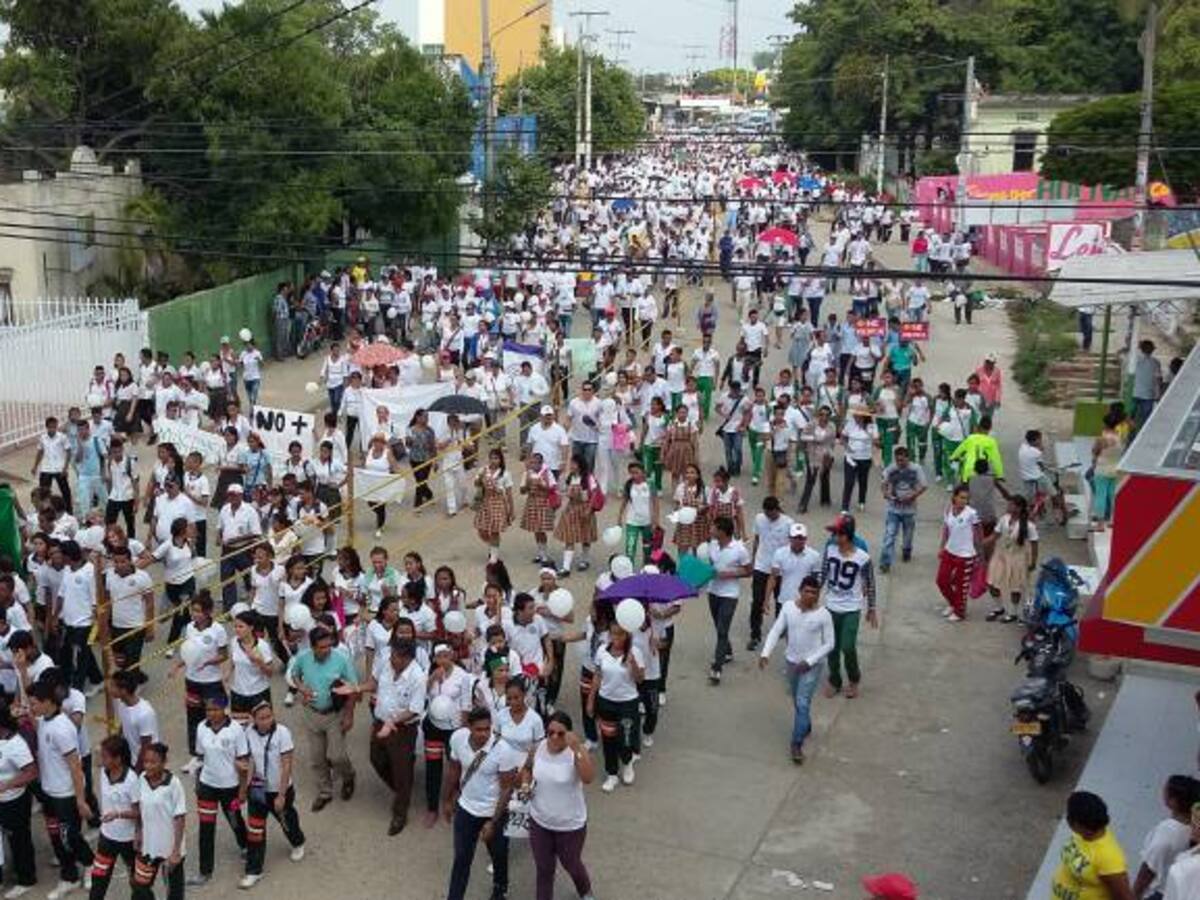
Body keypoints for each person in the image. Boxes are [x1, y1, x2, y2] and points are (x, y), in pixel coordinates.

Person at [442, 707, 522, 900]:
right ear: (469, 727)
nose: (484, 734)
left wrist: (493, 822)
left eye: (487, 729)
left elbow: (506, 789)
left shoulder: (504, 750)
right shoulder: (458, 739)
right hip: (466, 809)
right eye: (479, 729)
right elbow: (454, 769)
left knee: (498, 855)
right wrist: (447, 800)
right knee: (461, 859)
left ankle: (500, 889)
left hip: (493, 812)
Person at [352, 635, 425, 835]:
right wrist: (356, 688)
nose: (391, 659)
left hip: (402, 729)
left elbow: (414, 710)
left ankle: (400, 813)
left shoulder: (418, 677)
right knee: (376, 758)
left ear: (407, 658)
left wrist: (392, 722)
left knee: (401, 770)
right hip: (380, 722)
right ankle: (403, 791)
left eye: (395, 656)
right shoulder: (386, 663)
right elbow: (374, 683)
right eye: (392, 654)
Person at [759, 574, 833, 763]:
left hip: (811, 667)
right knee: (796, 699)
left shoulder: (824, 615)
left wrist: (810, 661)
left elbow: (830, 644)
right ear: (800, 591)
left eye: (814, 593)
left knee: (802, 701)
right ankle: (805, 724)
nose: (810, 596)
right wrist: (766, 653)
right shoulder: (789, 608)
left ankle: (796, 743)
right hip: (791, 662)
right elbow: (776, 630)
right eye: (807, 591)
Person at [31, 677, 95, 898]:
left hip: (66, 794)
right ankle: (69, 876)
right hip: (49, 791)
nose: (32, 707)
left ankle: (90, 864)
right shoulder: (44, 721)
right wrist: (21, 672)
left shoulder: (62, 728)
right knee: (56, 836)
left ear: (48, 702)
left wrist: (80, 799)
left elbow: (76, 767)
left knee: (70, 836)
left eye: (35, 703)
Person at [523, 711, 596, 900]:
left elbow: (588, 778)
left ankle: (585, 891)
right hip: (540, 821)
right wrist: (525, 785)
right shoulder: (537, 748)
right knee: (544, 869)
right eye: (550, 732)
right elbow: (528, 769)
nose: (554, 737)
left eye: (561, 733)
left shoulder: (575, 752)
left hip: (570, 825)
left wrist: (578, 747)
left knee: (571, 863)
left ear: (569, 734)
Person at [286, 624, 358, 812]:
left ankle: (349, 776)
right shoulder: (303, 658)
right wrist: (301, 688)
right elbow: (294, 675)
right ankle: (325, 792)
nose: (327, 650)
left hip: (335, 715)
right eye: (322, 647)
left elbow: (353, 690)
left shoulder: (341, 660)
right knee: (317, 758)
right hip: (311, 714)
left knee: (337, 756)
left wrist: (349, 715)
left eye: (329, 645)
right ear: (312, 647)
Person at [240, 700, 306, 889]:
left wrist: (282, 795)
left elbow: (286, 765)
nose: (266, 721)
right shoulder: (248, 733)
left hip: (279, 789)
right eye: (261, 718)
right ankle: (254, 870)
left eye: (269, 716)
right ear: (253, 719)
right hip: (258, 790)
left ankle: (298, 842)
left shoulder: (282, 733)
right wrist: (245, 788)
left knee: (286, 821)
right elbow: (251, 760)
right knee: (255, 830)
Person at [187, 696, 248, 886]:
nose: (211, 713)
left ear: (225, 709)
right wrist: (198, 782)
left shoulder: (236, 730)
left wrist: (243, 790)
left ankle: (245, 845)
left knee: (234, 818)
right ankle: (205, 871)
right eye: (208, 710)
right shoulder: (201, 728)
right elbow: (200, 757)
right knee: (206, 829)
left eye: (215, 709)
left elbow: (243, 761)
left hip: (230, 786)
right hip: (207, 785)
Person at [819, 515, 877, 698]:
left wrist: (872, 608)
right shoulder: (830, 550)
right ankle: (835, 680)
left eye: (836, 533)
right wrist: (811, 597)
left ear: (846, 535)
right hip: (831, 605)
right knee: (831, 647)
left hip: (851, 608)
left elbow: (870, 583)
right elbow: (823, 574)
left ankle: (854, 678)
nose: (833, 536)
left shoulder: (863, 558)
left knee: (847, 646)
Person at [586, 620, 644, 792]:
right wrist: (591, 699)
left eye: (620, 634)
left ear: (627, 635)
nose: (616, 637)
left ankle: (627, 763)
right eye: (613, 633)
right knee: (608, 738)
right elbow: (597, 675)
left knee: (626, 738)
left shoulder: (635, 652)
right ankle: (612, 774)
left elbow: (640, 679)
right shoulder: (602, 651)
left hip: (628, 702)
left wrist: (632, 664)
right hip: (606, 701)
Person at [1052, 791, 1136, 900]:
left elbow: (1125, 897)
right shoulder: (1082, 834)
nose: (1067, 819)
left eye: (1069, 817)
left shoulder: (1108, 858)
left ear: (1077, 824)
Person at [130, 742, 187, 900]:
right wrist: (138, 832)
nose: (148, 766)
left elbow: (180, 817)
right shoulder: (141, 779)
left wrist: (176, 851)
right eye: (146, 761)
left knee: (174, 894)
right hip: (149, 846)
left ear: (163, 762)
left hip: (169, 847)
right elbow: (139, 809)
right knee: (140, 887)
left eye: (153, 762)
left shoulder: (173, 784)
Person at [1133, 775, 1199, 900]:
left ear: (1173, 801)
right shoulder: (1192, 827)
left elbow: (1147, 870)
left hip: (1158, 893)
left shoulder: (1167, 833)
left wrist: (1134, 895)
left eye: (1165, 790)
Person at [89, 735, 139, 900]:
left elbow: (139, 812)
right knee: (98, 880)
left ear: (118, 759)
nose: (101, 759)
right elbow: (96, 757)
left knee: (138, 882)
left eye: (105, 756)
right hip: (107, 837)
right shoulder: (105, 771)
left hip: (128, 840)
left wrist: (118, 814)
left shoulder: (132, 780)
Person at [704, 516, 753, 685]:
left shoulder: (739, 549)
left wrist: (727, 574)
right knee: (719, 626)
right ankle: (728, 651)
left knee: (723, 629)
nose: (711, 530)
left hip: (729, 594)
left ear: (722, 531)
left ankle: (716, 668)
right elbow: (711, 565)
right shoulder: (712, 545)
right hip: (713, 591)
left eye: (714, 527)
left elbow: (748, 571)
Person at [0, 702, 37, 897]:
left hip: (13, 801)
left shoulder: (15, 745)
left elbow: (31, 772)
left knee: (19, 839)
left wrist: (7, 785)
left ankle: (26, 878)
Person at [748, 496, 793, 651]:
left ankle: (780, 627)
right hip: (761, 566)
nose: (769, 516)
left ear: (777, 510)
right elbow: (757, 539)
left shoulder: (788, 523)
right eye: (766, 513)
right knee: (757, 601)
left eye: (771, 513)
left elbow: (792, 546)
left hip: (780, 569)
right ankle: (755, 634)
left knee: (780, 600)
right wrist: (753, 559)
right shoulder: (759, 519)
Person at [984, 496, 1038, 623]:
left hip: (1018, 558)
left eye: (1012, 505)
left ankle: (1013, 612)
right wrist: (980, 544)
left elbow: (1035, 545)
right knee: (991, 582)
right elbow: (994, 536)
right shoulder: (1004, 519)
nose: (1008, 507)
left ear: (1019, 508)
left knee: (1015, 587)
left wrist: (1033, 562)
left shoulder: (1029, 526)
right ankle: (999, 607)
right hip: (1001, 555)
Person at [937, 485, 983, 622]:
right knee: (941, 580)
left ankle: (960, 611)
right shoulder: (948, 510)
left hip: (966, 554)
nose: (964, 501)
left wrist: (980, 553)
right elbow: (946, 529)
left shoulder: (971, 514)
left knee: (960, 585)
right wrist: (942, 546)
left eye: (966, 499)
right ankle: (953, 603)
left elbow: (978, 533)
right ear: (954, 497)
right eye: (961, 497)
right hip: (950, 551)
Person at [879, 446, 928, 573]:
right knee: (889, 535)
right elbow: (883, 482)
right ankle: (885, 562)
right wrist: (885, 493)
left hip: (909, 510)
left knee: (908, 535)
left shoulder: (916, 469)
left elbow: (924, 485)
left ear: (908, 458)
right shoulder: (891, 468)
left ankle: (907, 550)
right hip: (893, 508)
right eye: (897, 460)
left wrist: (913, 496)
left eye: (902, 460)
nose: (900, 463)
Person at [474, 449, 515, 563]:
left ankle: (494, 557)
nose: (493, 461)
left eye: (496, 458)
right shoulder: (483, 470)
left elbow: (509, 493)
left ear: (501, 460)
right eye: (492, 458)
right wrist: (480, 477)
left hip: (498, 503)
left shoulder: (505, 474)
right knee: (481, 530)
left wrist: (511, 510)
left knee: (495, 531)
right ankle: (493, 547)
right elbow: (476, 484)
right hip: (485, 502)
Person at [840, 405, 879, 513]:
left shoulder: (872, 427)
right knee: (849, 481)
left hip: (865, 458)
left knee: (863, 481)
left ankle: (861, 501)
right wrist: (847, 446)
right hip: (850, 457)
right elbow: (842, 438)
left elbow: (877, 441)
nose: (857, 418)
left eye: (859, 416)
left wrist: (874, 440)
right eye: (856, 415)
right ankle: (844, 506)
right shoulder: (850, 424)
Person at [1092, 411, 1124, 532]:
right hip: (1115, 469)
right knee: (1113, 496)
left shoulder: (1101, 439)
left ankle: (1100, 524)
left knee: (1101, 495)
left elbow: (1095, 452)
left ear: (1104, 424)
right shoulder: (1119, 438)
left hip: (1102, 469)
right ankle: (1113, 520)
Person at [1132, 340, 1162, 429]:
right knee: (1145, 421)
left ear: (1141, 349)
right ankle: (1140, 435)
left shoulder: (1135, 359)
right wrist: (1158, 394)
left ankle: (1130, 437)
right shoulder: (1156, 362)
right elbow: (1158, 380)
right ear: (1152, 350)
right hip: (1148, 396)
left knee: (1130, 418)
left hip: (1134, 393)